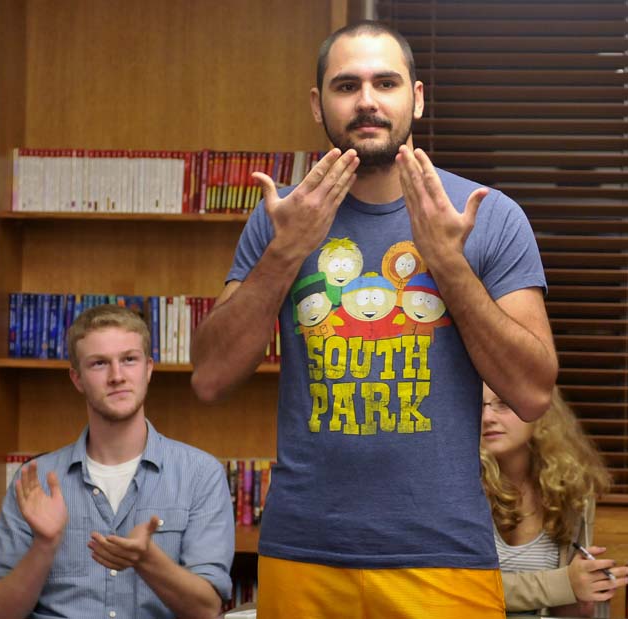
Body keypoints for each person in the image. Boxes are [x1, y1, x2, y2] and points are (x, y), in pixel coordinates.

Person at [191, 20, 558, 619]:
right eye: (346, 85)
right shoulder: (281, 218)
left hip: (445, 554)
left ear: (415, 97)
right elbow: (209, 379)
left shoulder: (486, 216)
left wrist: (448, 263)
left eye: (385, 82)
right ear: (319, 105)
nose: (366, 100)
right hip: (303, 549)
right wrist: (285, 251)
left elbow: (533, 392)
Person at [0, 305, 234, 619]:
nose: (117, 376)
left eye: (129, 359)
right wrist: (44, 545)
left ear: (148, 368)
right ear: (77, 378)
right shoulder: (34, 479)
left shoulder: (200, 474)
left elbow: (207, 610)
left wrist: (147, 560)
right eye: (99, 363)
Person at [481, 383, 628, 617]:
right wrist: (564, 585)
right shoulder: (455, 488)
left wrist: (584, 596)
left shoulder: (571, 491)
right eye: (478, 407)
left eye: (504, 404)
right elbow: (454, 587)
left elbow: (562, 607)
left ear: (539, 412)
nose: (487, 417)